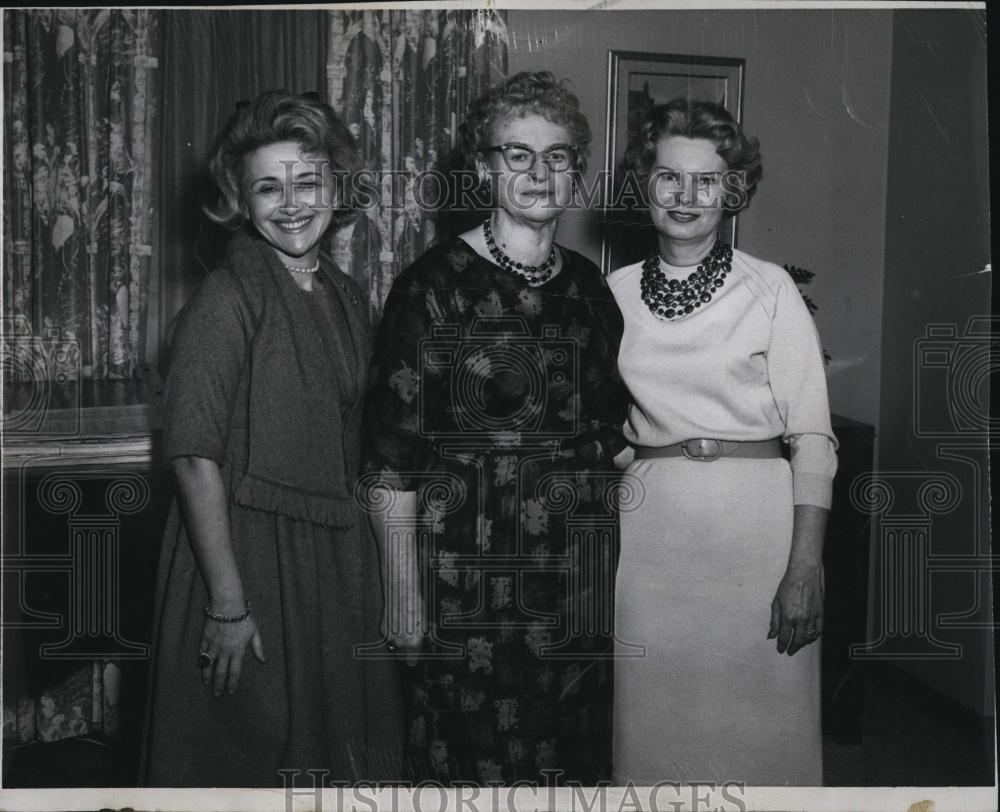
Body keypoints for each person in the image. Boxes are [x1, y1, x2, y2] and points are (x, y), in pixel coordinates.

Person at [362, 71, 630, 785]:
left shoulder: (591, 289)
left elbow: (611, 429)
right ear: (483, 168)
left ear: (578, 167)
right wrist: (402, 592)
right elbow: (389, 462)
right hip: (468, 584)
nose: (539, 173)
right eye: (518, 154)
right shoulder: (432, 286)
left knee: (571, 764)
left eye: (559, 155)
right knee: (472, 768)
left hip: (576, 580)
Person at [140, 90, 401, 787]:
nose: (290, 203)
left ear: (336, 187)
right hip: (243, 562)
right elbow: (194, 457)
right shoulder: (228, 297)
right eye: (266, 187)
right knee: (243, 765)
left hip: (330, 560)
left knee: (335, 765)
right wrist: (227, 606)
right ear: (240, 201)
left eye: (307, 181)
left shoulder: (346, 295)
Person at [608, 98, 837, 786]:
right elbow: (600, 425)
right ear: (644, 182)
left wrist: (805, 567)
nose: (686, 197)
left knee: (766, 732)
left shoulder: (768, 291)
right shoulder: (610, 294)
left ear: (732, 191)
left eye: (706, 181)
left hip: (756, 541)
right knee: (653, 733)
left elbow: (814, 440)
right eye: (669, 177)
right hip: (651, 542)